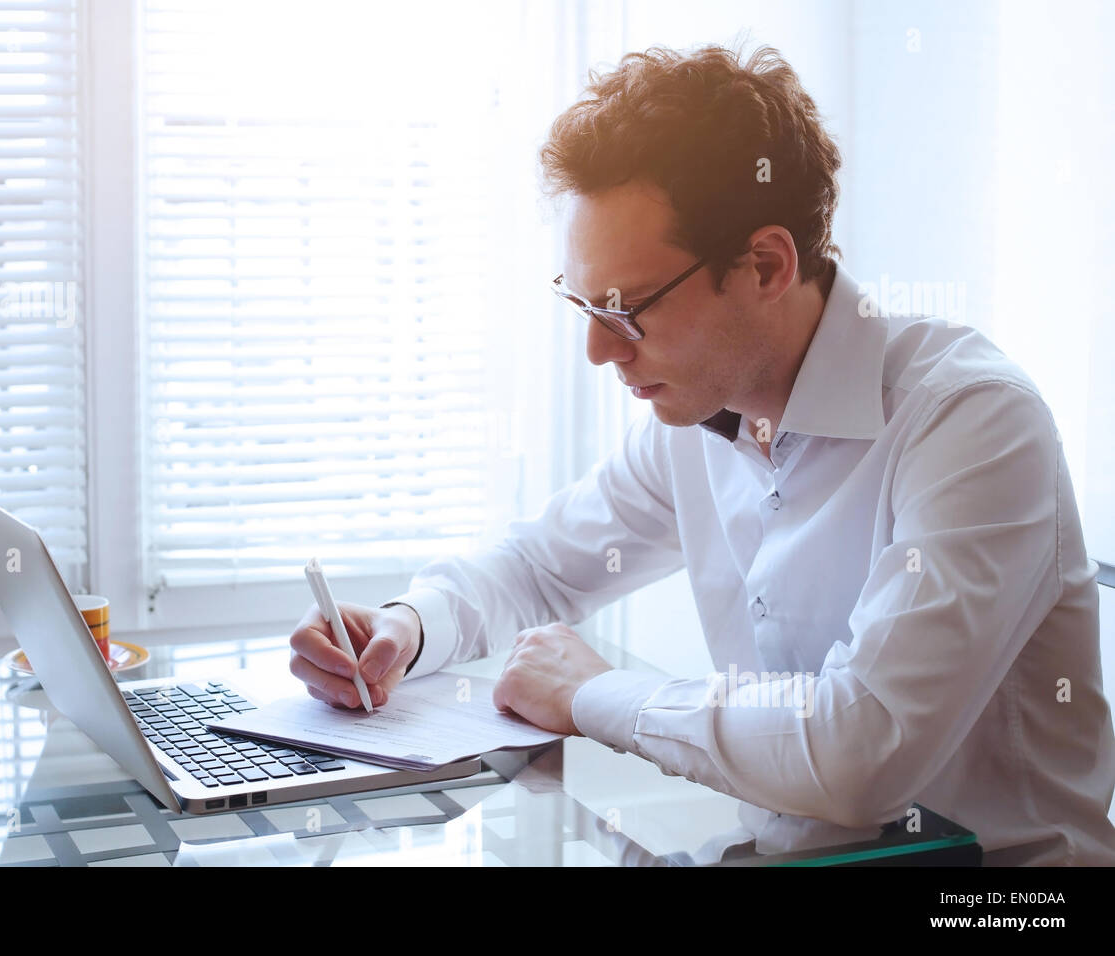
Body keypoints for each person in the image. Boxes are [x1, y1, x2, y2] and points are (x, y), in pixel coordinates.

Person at [288, 44, 1115, 865]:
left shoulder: (970, 422)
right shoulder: (699, 424)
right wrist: (406, 627)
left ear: (764, 264)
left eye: (627, 309)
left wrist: (590, 695)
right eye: (581, 303)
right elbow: (539, 569)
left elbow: (863, 749)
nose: (597, 352)